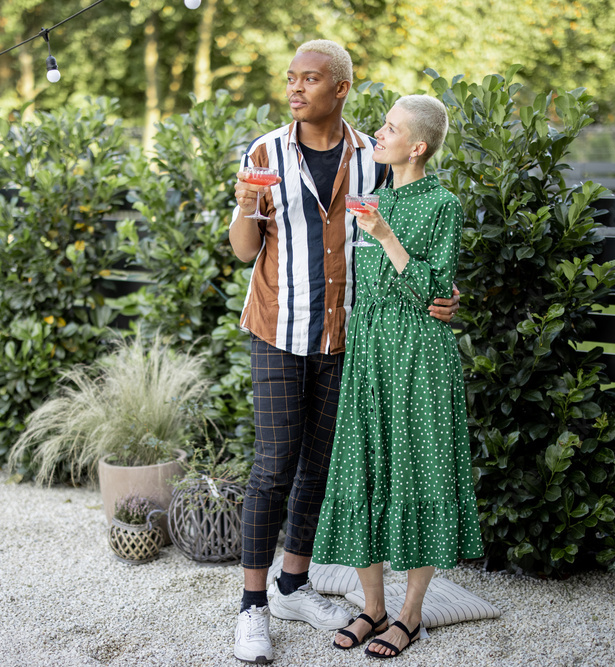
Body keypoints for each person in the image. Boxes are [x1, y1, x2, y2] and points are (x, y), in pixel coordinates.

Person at [228, 40, 460, 664]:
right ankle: (252, 607)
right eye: (290, 78)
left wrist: (444, 292)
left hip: (352, 339)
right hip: (279, 326)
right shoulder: (265, 152)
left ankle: (294, 586)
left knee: (321, 468)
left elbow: (403, 233)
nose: (295, 89)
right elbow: (244, 250)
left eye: (310, 79)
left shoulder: (373, 159)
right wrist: (248, 203)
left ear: (341, 89)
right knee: (274, 464)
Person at [310, 94, 483, 659]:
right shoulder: (374, 195)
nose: (377, 133)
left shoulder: (443, 206)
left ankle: (409, 615)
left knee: (417, 471)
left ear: (417, 146)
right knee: (362, 467)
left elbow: (435, 289)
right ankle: (373, 607)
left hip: (418, 356)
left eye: (390, 128)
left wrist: (385, 235)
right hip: (369, 353)